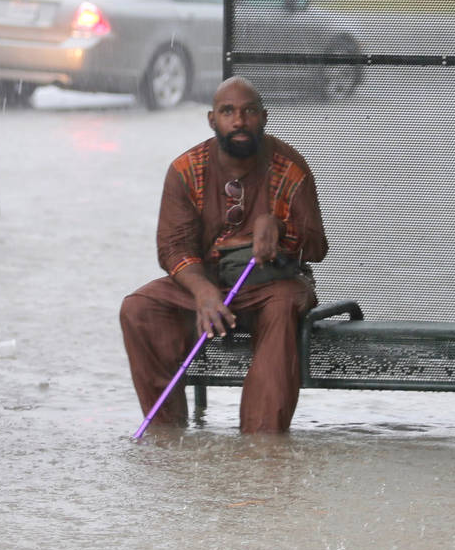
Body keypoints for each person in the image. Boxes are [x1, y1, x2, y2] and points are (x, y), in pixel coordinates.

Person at [120, 76, 328, 434]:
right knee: (139, 308)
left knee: (281, 308)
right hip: (209, 284)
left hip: (274, 285)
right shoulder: (185, 170)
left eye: (248, 112)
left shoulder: (291, 167)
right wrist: (202, 292)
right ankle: (166, 438)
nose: (239, 121)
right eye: (228, 111)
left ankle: (262, 446)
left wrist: (277, 227)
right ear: (211, 119)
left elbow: (317, 247)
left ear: (263, 118)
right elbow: (172, 247)